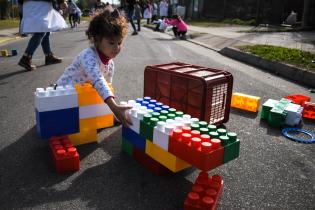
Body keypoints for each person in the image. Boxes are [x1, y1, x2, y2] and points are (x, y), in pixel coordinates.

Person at [56, 7, 132, 127]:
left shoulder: (110, 64)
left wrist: (112, 112)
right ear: (96, 40)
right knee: (63, 125)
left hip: (81, 97)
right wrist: (114, 108)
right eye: (111, 43)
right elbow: (98, 81)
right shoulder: (88, 55)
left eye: (119, 43)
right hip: (61, 95)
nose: (117, 48)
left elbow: (106, 89)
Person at [18, 0, 67, 71]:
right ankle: (26, 57)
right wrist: (61, 1)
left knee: (45, 30)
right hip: (39, 4)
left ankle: (48, 55)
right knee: (41, 31)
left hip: (30, 4)